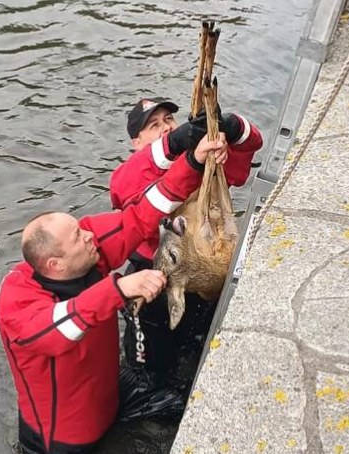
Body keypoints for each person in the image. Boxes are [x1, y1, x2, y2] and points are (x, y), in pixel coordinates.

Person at [0, 128, 227, 454]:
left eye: (80, 229)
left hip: (110, 398)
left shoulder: (86, 254)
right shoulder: (16, 299)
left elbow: (142, 216)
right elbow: (54, 329)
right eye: (77, 237)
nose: (88, 235)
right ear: (54, 265)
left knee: (185, 397)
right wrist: (118, 289)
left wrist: (189, 157)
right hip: (61, 445)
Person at [110, 97, 264, 408]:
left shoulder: (200, 159)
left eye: (169, 119)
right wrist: (179, 148)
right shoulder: (134, 172)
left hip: (199, 270)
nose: (166, 126)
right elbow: (122, 187)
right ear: (136, 143)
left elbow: (248, 153)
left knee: (195, 342)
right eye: (154, 126)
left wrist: (231, 128)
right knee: (148, 367)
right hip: (153, 274)